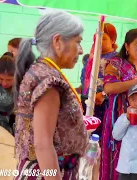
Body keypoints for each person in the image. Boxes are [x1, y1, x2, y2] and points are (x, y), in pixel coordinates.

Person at [14, 11, 88, 180]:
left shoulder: (43, 71)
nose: (81, 50)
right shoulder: (49, 81)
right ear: (57, 42)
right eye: (78, 42)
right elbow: (43, 145)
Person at [101, 28, 137, 180]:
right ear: (126, 46)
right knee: (118, 160)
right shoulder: (115, 64)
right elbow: (108, 88)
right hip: (120, 119)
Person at [80, 23, 118, 136]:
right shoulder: (90, 57)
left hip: (103, 103)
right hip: (86, 101)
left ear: (113, 40)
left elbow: (117, 82)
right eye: (96, 38)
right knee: (84, 135)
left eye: (104, 38)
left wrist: (103, 94)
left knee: (97, 136)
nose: (99, 41)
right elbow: (86, 80)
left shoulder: (116, 59)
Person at [112, 84, 137, 180]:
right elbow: (116, 136)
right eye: (133, 99)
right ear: (129, 101)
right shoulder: (123, 117)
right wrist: (127, 118)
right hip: (125, 168)